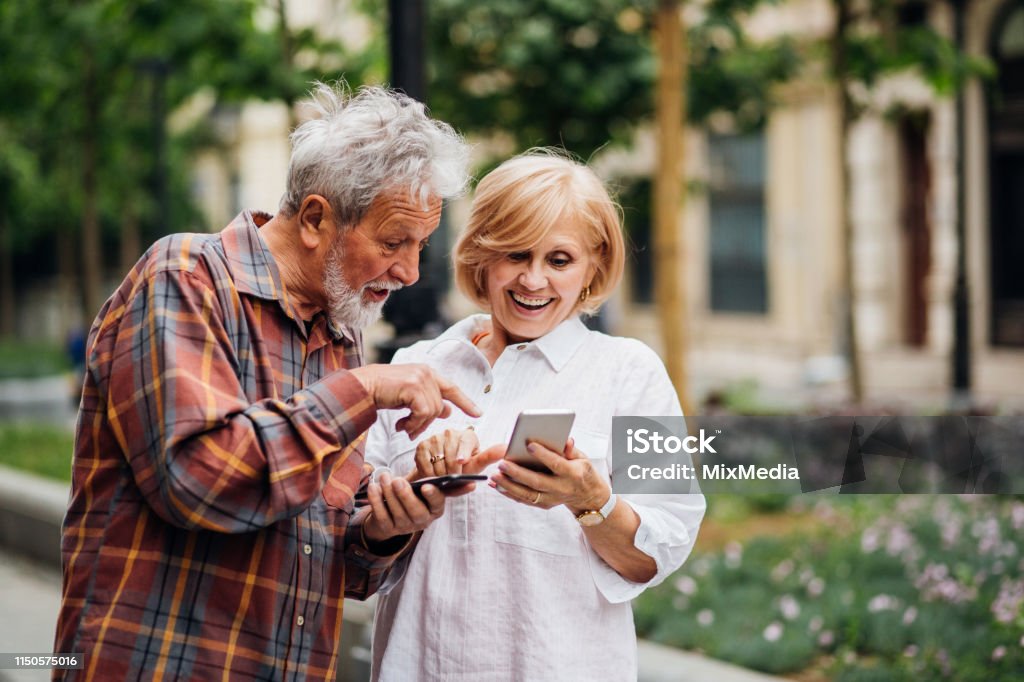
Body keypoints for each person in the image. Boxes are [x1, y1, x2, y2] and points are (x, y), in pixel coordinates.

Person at [53, 83, 478, 680]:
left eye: (419, 247)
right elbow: (198, 480)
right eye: (391, 243)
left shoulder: (341, 334)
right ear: (314, 219)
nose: (409, 272)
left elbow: (318, 554)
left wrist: (382, 527)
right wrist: (364, 391)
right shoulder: (186, 276)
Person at [365, 150, 707, 681]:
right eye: (516, 254)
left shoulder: (632, 373)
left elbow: (660, 551)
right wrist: (411, 496)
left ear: (594, 264)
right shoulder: (414, 368)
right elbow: (357, 542)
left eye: (560, 260)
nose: (533, 280)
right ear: (481, 254)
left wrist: (590, 501)